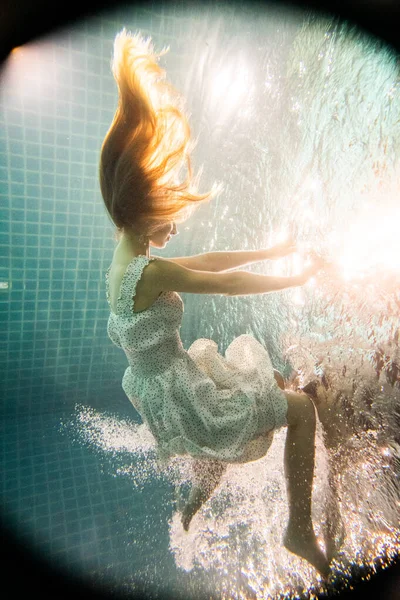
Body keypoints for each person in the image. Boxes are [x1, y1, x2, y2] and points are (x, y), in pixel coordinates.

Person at [99, 29, 333, 579]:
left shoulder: (123, 261)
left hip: (166, 390)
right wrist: (296, 276)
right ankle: (299, 529)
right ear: (143, 208)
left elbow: (207, 261)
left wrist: (273, 249)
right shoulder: (149, 272)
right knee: (298, 410)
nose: (173, 222)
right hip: (181, 394)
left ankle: (192, 502)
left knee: (229, 421)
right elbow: (224, 282)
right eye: (167, 209)